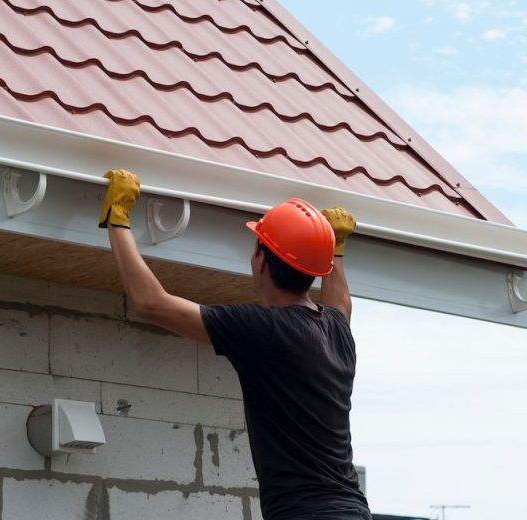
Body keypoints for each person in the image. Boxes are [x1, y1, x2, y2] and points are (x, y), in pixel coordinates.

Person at [101, 169, 371, 520]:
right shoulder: (336, 330)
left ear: (261, 261)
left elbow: (152, 303)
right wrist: (335, 249)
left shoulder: (265, 329)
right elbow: (341, 303)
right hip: (352, 509)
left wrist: (117, 218)